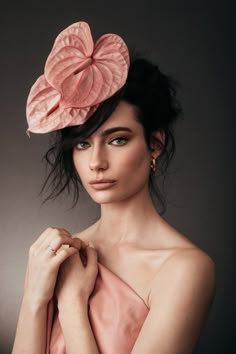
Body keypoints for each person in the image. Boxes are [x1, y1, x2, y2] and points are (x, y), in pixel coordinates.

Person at [12, 21, 216, 354]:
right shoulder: (58, 255)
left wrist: (73, 304)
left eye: (117, 139)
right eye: (82, 144)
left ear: (155, 144)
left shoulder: (186, 269)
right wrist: (34, 298)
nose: (96, 162)